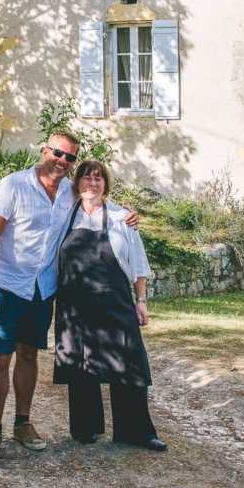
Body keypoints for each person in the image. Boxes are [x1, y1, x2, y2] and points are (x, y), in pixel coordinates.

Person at [0, 133, 139, 463]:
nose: (63, 161)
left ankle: (22, 424)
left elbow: (98, 201)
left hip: (42, 289)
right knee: (0, 359)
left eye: (70, 158)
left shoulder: (69, 192)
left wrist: (128, 214)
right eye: (58, 153)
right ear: (44, 151)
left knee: (28, 355)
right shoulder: (14, 186)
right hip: (8, 286)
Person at [54, 159, 166, 451]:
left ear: (106, 184)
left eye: (99, 179)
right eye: (87, 179)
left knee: (128, 362)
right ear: (77, 183)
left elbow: (139, 265)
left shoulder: (121, 218)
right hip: (74, 305)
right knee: (80, 363)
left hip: (115, 301)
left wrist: (141, 301)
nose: (93, 184)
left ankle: (136, 431)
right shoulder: (63, 216)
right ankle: (86, 429)